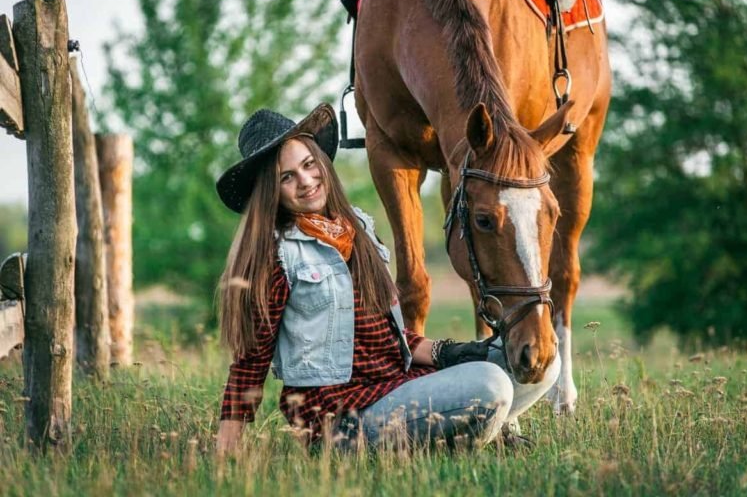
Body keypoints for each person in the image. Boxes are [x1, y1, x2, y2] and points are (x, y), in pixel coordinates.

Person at [215, 103, 560, 452]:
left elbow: (386, 338)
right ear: (270, 191)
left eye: (308, 165)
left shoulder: (357, 230)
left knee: (541, 361)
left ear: (321, 162)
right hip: (343, 417)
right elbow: (250, 362)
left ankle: (458, 431)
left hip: (394, 387)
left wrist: (452, 352)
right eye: (286, 177)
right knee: (491, 384)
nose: (305, 181)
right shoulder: (278, 255)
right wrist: (226, 452)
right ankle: (465, 439)